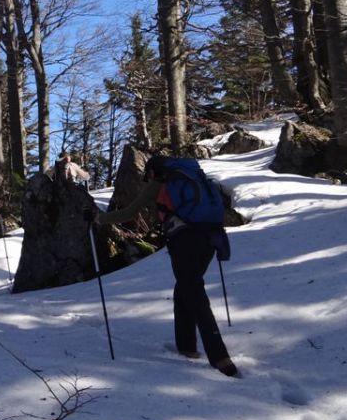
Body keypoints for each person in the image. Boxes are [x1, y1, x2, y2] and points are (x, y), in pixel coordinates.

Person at [87, 155, 238, 377]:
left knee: (193, 291)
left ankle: (220, 357)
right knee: (185, 288)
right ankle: (186, 345)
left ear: (154, 171)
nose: (148, 179)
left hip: (185, 239)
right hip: (211, 238)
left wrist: (98, 219)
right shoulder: (197, 177)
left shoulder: (162, 183)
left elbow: (128, 213)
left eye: (148, 175)